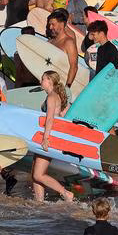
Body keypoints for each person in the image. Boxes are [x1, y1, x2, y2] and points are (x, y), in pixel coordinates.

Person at [32, 71, 75, 202]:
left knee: (38, 174)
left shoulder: (52, 97)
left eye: (43, 79)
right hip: (48, 135)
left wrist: (45, 139)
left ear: (49, 80)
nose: (41, 81)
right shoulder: (56, 96)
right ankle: (38, 202)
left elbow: (50, 119)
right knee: (34, 173)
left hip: (48, 137)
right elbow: (62, 116)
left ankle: (66, 193)